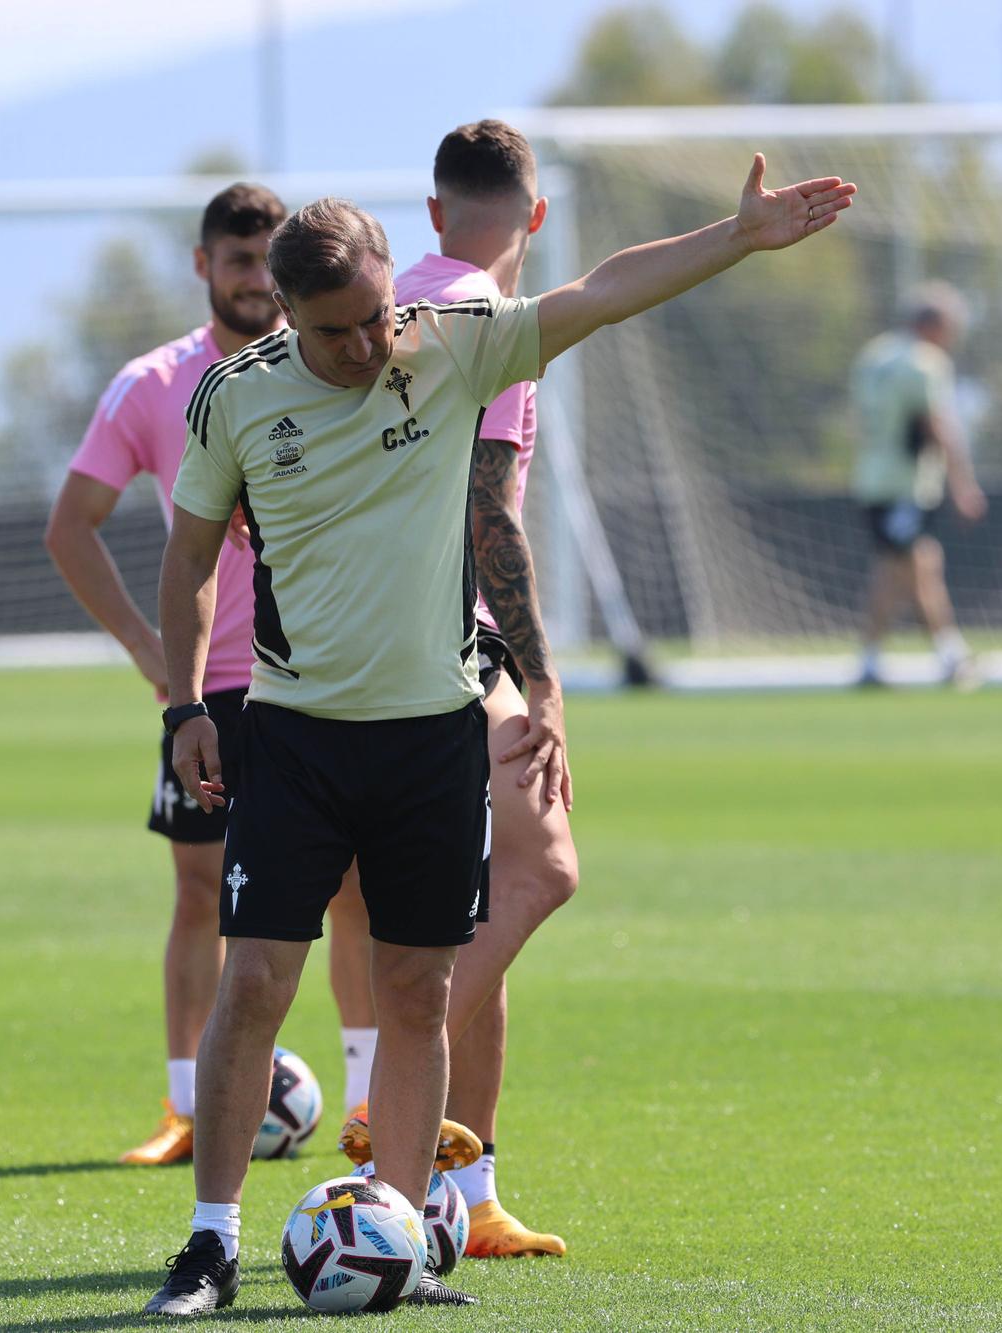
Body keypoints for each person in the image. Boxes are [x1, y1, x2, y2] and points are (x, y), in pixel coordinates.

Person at [143, 154, 855, 1316]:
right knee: (260, 980)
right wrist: (181, 706)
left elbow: (599, 292)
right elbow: (185, 561)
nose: (368, 347)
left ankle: (398, 1233)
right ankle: (210, 1244)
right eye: (337, 333)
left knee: (417, 991)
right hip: (295, 737)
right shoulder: (236, 398)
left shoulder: (448, 345)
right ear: (286, 317)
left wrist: (735, 240)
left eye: (377, 316)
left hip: (430, 737)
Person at [47, 182, 386, 1164]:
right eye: (232, 261)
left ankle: (365, 1103)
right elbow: (70, 528)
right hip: (214, 684)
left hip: (326, 674)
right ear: (203, 266)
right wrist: (155, 658)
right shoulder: (152, 385)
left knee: (352, 889)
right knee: (201, 893)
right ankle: (184, 1108)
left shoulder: (337, 360)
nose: (249, 279)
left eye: (261, 260)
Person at [324, 119, 574, 1259]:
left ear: (431, 214)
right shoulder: (490, 320)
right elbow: (492, 517)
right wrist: (542, 679)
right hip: (449, 651)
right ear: (533, 216)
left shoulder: (383, 305)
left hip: (339, 650)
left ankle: (464, 1201)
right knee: (546, 868)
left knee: (472, 916)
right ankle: (389, 1111)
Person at [850, 282, 987, 688]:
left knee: (920, 565)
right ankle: (881, 662)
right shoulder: (924, 363)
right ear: (934, 325)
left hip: (873, 477)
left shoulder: (874, 355)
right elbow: (936, 425)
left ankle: (947, 655)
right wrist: (963, 484)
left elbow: (859, 422)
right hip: (903, 485)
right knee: (899, 571)